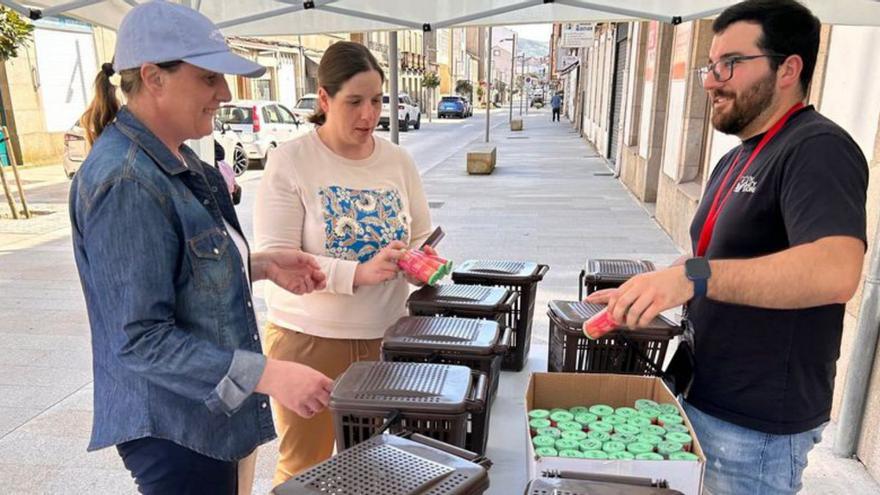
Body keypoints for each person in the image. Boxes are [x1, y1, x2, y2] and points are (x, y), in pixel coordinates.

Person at [587, 1, 868, 493]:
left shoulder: (817, 147)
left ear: (789, 68)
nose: (711, 81)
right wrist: (659, 282)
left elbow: (836, 270)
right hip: (705, 396)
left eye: (729, 64)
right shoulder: (741, 155)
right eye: (709, 66)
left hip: (755, 426)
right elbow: (714, 260)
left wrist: (692, 278)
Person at [69, 2, 334, 494]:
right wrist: (270, 375)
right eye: (209, 77)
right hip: (177, 428)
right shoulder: (127, 179)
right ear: (153, 77)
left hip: (208, 417)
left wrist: (259, 265)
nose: (225, 93)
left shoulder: (179, 156)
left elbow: (177, 268)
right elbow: (140, 338)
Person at [253, 41, 435, 486]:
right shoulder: (291, 160)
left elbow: (421, 234)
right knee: (305, 468)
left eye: (376, 101)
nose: (368, 115)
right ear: (324, 100)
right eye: (354, 101)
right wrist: (358, 272)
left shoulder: (397, 160)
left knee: (377, 468)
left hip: (386, 339)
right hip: (308, 343)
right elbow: (276, 259)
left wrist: (421, 260)